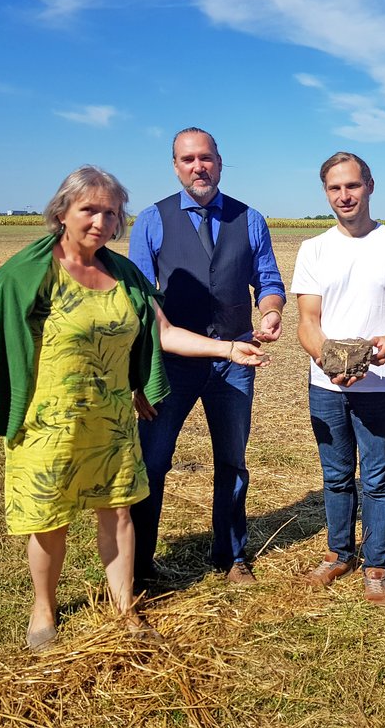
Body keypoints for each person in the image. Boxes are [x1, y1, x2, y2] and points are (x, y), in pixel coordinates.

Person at [0, 166, 270, 651]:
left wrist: (229, 350)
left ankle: (126, 608)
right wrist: (12, 411)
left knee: (119, 515)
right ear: (61, 212)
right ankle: (43, 611)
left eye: (111, 212)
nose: (100, 221)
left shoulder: (124, 275)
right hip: (47, 424)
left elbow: (163, 334)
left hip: (111, 422)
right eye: (89, 209)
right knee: (49, 521)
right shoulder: (27, 273)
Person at [128, 127, 286, 586]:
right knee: (153, 462)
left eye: (207, 158)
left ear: (220, 161)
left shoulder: (250, 218)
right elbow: (141, 301)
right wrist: (139, 371)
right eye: (188, 159)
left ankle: (231, 554)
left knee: (232, 460)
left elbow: (268, 280)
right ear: (176, 167)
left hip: (235, 361)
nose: (199, 167)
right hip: (170, 363)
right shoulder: (152, 220)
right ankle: (139, 565)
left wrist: (271, 312)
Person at [292, 152, 385, 606]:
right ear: (326, 193)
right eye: (335, 188)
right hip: (326, 385)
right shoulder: (314, 248)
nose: (344, 195)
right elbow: (306, 321)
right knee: (335, 476)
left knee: (375, 477)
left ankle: (375, 564)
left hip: (380, 385)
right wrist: (331, 362)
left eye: (352, 185)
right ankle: (339, 553)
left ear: (370, 185)